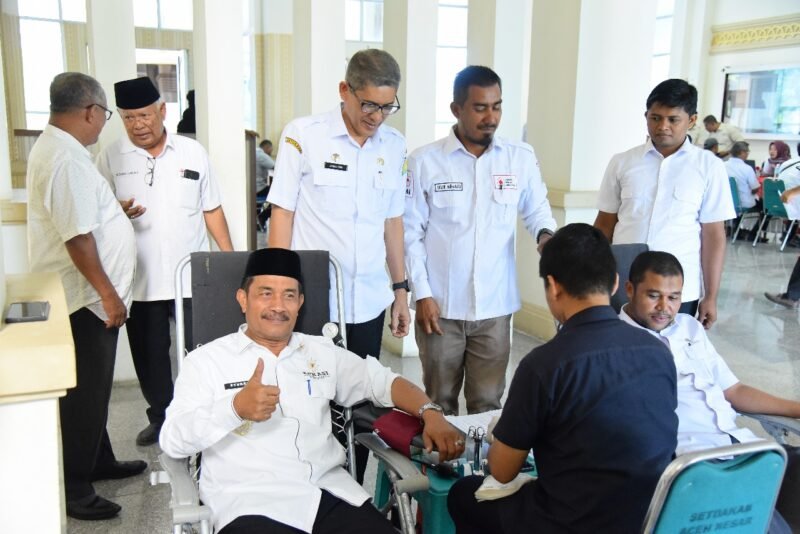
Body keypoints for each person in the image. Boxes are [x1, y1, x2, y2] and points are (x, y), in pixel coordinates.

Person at [159, 248, 464, 534]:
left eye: (289, 295)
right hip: (248, 502)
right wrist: (235, 409)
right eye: (266, 293)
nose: (278, 306)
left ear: (300, 303)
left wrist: (431, 413)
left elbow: (383, 382)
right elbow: (172, 440)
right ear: (243, 299)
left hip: (327, 493)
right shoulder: (207, 361)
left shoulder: (320, 351)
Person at [446, 223, 678, 533]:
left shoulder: (544, 365)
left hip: (568, 523)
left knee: (463, 494)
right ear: (615, 284)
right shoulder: (659, 352)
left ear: (553, 286)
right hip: (648, 518)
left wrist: (505, 433)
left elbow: (501, 471)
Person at [266, 49, 411, 480]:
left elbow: (393, 223)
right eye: (369, 105)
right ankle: (307, 486)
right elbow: (282, 213)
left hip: (367, 300)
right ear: (344, 90)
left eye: (387, 106)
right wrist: (277, 291)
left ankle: (351, 487)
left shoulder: (394, 146)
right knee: (309, 397)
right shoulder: (304, 136)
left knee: (360, 399)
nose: (377, 117)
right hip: (314, 300)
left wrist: (400, 291)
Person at [26, 72, 146, 521]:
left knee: (93, 391)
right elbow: (77, 238)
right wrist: (109, 295)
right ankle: (76, 488)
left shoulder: (61, 149)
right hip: (84, 300)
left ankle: (98, 460)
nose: (104, 124)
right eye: (107, 115)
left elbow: (80, 216)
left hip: (83, 296)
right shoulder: (66, 159)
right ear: (91, 111)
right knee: (83, 395)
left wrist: (113, 212)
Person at [403, 65, 556, 415]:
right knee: (438, 403)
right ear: (456, 109)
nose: (491, 117)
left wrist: (546, 237)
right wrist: (422, 293)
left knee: (487, 405)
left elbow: (537, 210)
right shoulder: (425, 162)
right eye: (480, 108)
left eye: (497, 106)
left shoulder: (519, 158)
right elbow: (410, 233)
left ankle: (481, 455)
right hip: (440, 308)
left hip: (494, 308)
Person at [95, 76, 234, 447]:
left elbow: (211, 209)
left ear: (162, 111)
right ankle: (160, 418)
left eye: (144, 115)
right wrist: (116, 211)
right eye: (128, 118)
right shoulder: (110, 156)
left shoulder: (192, 152)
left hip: (191, 279)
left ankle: (202, 416)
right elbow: (96, 213)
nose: (138, 125)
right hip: (139, 280)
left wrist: (230, 262)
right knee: (150, 357)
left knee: (201, 353)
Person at [620, 250, 800, 533]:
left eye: (674, 297)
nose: (665, 307)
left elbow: (735, 390)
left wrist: (797, 408)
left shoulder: (689, 327)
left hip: (742, 446)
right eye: (654, 296)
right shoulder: (616, 342)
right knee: (765, 522)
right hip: (694, 461)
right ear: (630, 289)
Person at [594, 78, 735, 329]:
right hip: (624, 283)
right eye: (655, 118)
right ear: (646, 116)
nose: (663, 127)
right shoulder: (622, 162)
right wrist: (592, 281)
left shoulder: (709, 167)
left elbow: (713, 235)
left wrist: (711, 296)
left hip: (678, 292)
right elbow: (604, 224)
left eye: (673, 119)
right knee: (618, 349)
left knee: (671, 351)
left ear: (691, 120)